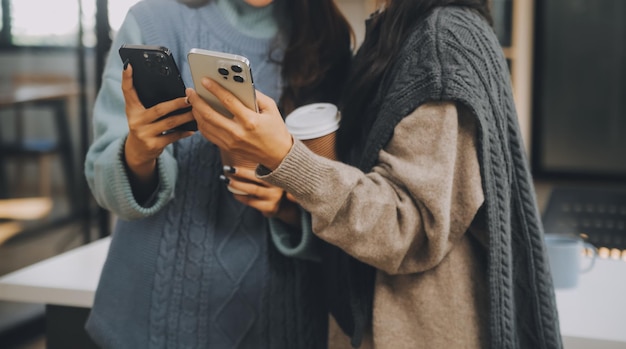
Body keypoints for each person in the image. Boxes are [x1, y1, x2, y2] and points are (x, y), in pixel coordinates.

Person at [186, 0, 564, 348]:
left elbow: (407, 226)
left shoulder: (442, 42)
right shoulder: (395, 33)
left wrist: (285, 156)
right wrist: (292, 204)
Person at [83, 0, 352, 347]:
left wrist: (285, 203)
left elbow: (348, 208)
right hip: (149, 324)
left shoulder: (327, 40)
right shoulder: (153, 22)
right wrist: (139, 150)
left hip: (279, 325)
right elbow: (103, 181)